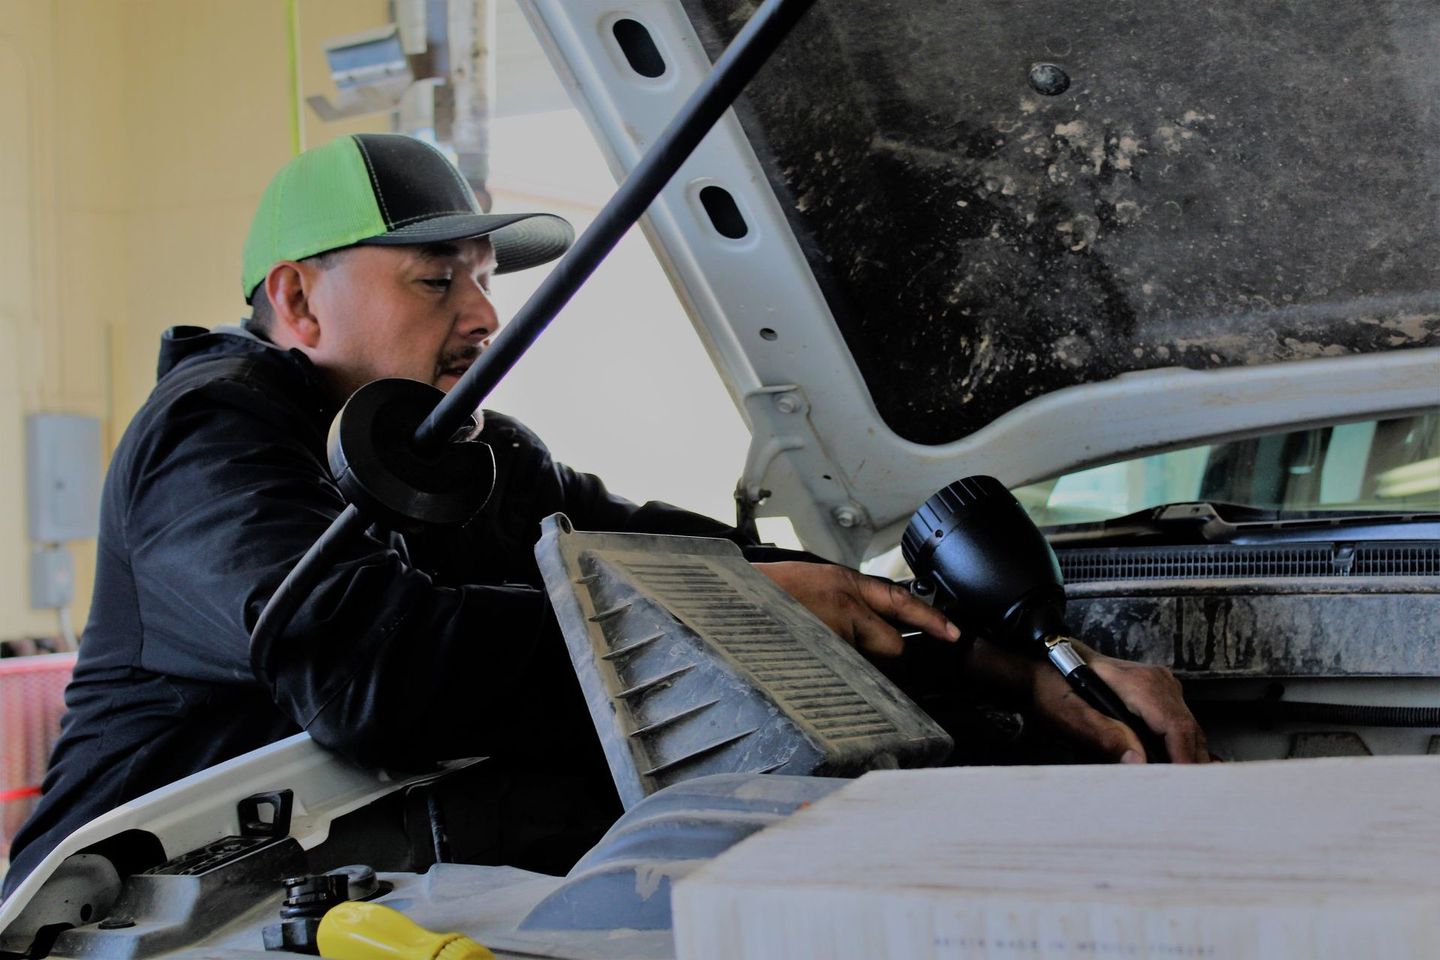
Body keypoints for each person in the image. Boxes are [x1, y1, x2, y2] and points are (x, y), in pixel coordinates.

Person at [3, 134, 1205, 896]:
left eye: (485, 275)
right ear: (299, 299)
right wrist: (724, 609)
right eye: (438, 280)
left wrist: (1024, 672)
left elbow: (699, 558)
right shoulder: (207, 436)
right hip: (138, 913)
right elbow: (371, 669)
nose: (482, 318)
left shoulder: (471, 455)